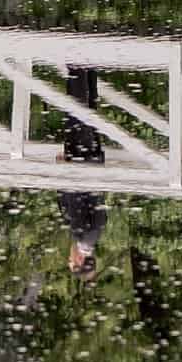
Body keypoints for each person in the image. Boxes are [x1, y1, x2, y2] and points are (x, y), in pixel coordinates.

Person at [56, 64, 107, 278]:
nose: (69, 257)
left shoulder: (95, 235)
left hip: (92, 164)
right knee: (77, 112)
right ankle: (77, 66)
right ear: (78, 261)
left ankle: (89, 67)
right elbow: (75, 197)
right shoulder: (81, 234)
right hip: (81, 163)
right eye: (70, 261)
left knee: (88, 112)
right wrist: (65, 170)